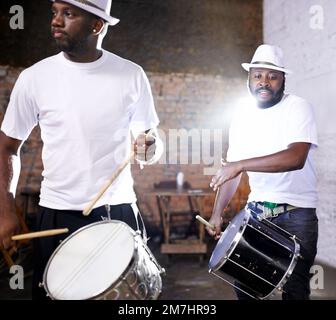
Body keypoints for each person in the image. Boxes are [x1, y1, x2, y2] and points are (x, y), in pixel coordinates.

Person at [0, 0, 162, 299]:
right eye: (55, 12)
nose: (56, 21)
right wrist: (5, 210)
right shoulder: (34, 78)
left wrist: (149, 147)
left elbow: (149, 140)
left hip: (118, 212)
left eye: (69, 14)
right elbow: (8, 147)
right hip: (56, 214)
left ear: (97, 25)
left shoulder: (131, 75)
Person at [207, 44, 318, 300]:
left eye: (272, 76)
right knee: (245, 285)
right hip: (256, 214)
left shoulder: (298, 107)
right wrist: (216, 213)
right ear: (249, 79)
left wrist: (240, 164)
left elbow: (296, 157)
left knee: (295, 290)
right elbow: (231, 172)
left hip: (296, 215)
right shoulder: (242, 115)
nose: (264, 83)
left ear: (283, 80)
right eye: (258, 75)